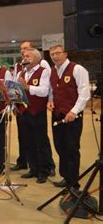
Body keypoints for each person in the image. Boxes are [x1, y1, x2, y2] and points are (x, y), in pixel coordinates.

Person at [48, 44, 90, 188]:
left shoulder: (77, 69)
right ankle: (66, 177)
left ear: (65, 54)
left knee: (71, 149)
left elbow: (85, 93)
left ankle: (73, 183)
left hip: (72, 116)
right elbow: (52, 91)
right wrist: (50, 101)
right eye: (52, 54)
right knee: (60, 147)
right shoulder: (53, 71)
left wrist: (74, 111)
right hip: (57, 115)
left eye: (58, 53)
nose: (55, 56)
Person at [16, 48, 51, 184]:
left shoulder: (43, 72)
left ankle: (44, 171)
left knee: (40, 143)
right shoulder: (21, 72)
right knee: (28, 142)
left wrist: (28, 87)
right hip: (23, 112)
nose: (24, 58)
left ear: (36, 58)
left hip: (37, 112)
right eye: (24, 56)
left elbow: (44, 91)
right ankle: (33, 169)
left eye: (28, 56)